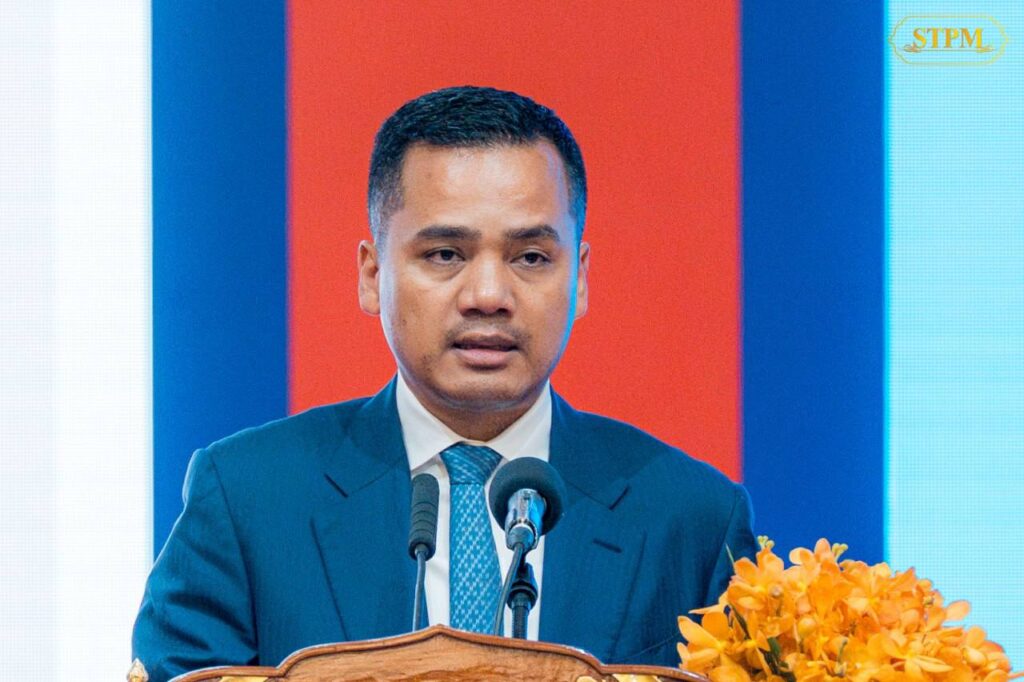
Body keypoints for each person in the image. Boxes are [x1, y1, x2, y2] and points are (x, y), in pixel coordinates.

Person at [132, 85, 756, 681]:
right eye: (445, 255)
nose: (488, 295)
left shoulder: (692, 519)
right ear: (373, 274)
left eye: (531, 257)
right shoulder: (247, 498)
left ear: (580, 277)